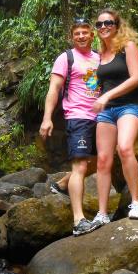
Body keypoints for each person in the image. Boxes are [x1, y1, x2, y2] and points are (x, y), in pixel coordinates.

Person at [39, 18, 102, 236]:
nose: (82, 36)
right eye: (77, 34)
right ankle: (79, 221)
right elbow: (54, 89)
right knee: (81, 166)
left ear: (92, 35)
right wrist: (47, 118)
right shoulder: (66, 58)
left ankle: (63, 184)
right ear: (72, 37)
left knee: (98, 162)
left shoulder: (100, 58)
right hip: (78, 116)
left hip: (101, 118)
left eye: (85, 32)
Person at [92, 8, 138, 222]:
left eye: (108, 23)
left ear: (117, 26)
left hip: (130, 106)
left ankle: (136, 202)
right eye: (99, 24)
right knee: (103, 160)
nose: (103, 27)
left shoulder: (127, 47)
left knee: (124, 148)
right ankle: (102, 213)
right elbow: (99, 83)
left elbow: (136, 78)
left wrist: (107, 96)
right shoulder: (99, 55)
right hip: (106, 112)